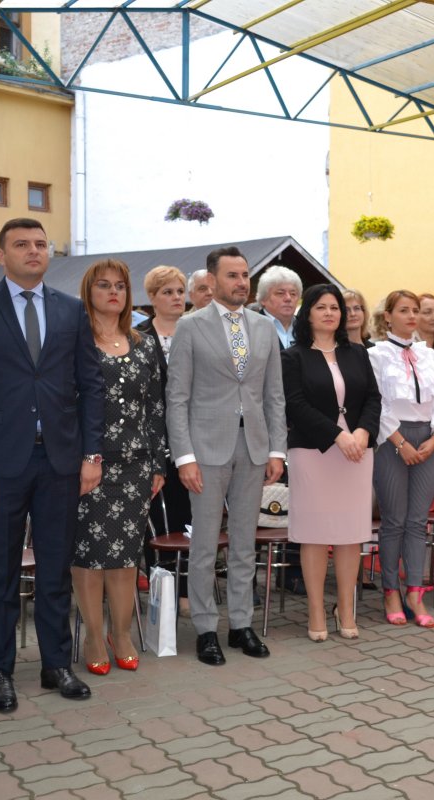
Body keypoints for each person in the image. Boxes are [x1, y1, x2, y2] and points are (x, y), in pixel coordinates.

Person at [0, 217, 105, 712]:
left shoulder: (71, 309)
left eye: (40, 244)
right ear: (2, 255)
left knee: (56, 567)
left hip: (60, 460)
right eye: (22, 245)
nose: (34, 251)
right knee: (1, 571)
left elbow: (90, 386)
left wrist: (91, 455)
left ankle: (56, 663)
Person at [166, 246, 286, 666]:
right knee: (203, 544)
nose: (241, 282)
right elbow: (176, 397)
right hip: (206, 449)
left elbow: (274, 395)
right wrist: (184, 457)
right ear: (213, 281)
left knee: (243, 543)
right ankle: (204, 628)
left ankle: (240, 624)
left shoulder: (263, 328)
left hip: (253, 447)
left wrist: (276, 449)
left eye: (245, 275)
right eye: (232, 275)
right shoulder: (190, 327)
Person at [72, 260, 165, 674]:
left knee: (126, 557)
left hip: (136, 464)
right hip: (88, 464)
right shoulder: (74, 340)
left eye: (121, 286)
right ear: (89, 291)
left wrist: (158, 461)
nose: (114, 292)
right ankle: (94, 635)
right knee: (90, 556)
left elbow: (156, 406)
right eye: (104, 285)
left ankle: (121, 633)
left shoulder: (144, 342)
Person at [282, 284, 380, 640]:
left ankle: (346, 607)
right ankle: (315, 610)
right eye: (321, 307)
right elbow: (295, 404)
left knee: (349, 534)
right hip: (313, 451)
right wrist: (338, 435)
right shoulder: (293, 357)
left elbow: (372, 398)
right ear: (307, 313)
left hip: (357, 451)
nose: (329, 313)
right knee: (313, 533)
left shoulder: (357, 353)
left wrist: (364, 433)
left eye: (335, 307)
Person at [368, 290, 434, 625]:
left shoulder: (428, 353)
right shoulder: (375, 354)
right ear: (388, 316)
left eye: (415, 310)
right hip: (392, 439)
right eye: (404, 310)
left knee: (418, 522)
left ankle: (415, 594)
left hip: (427, 438)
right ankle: (391, 591)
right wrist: (400, 442)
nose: (412, 316)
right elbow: (376, 404)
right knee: (394, 521)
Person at [136, 266, 192, 606]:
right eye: (167, 292)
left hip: (192, 440)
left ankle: (185, 590)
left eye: (180, 292)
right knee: (155, 517)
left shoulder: (199, 332)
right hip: (151, 440)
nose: (176, 298)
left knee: (188, 516)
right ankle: (162, 590)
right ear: (152, 298)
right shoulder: (137, 337)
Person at [257, 266, 302, 350]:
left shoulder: (305, 328)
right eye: (280, 293)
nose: (288, 298)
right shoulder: (251, 328)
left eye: (293, 294)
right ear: (263, 298)